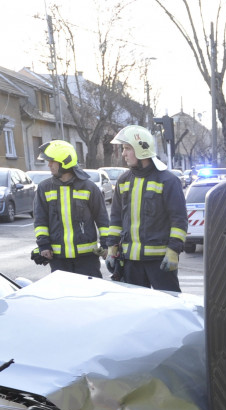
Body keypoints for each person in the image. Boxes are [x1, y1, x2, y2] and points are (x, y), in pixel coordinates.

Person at [107, 124, 188, 292]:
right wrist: (111, 248)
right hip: (130, 262)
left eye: (127, 148)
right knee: (136, 313)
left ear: (141, 149)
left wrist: (173, 251)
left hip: (160, 261)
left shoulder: (168, 181)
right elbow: (115, 219)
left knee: (169, 309)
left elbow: (178, 221)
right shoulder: (123, 181)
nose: (123, 154)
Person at [31, 140, 113, 278]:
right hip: (59, 259)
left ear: (65, 162)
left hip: (87, 259)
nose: (49, 165)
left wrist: (106, 245)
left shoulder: (90, 188)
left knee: (90, 296)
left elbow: (102, 220)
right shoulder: (44, 188)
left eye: (52, 161)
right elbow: (40, 220)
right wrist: (43, 245)